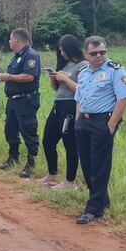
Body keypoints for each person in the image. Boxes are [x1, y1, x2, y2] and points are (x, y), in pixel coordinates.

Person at [74, 36, 126, 224]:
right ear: (85, 54)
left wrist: (111, 124)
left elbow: (124, 98)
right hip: (84, 121)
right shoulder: (83, 72)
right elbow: (79, 98)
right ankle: (102, 200)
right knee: (87, 164)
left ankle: (94, 209)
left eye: (102, 52)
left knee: (99, 165)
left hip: (103, 121)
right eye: (94, 53)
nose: (99, 56)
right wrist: (77, 120)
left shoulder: (115, 71)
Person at [37, 35, 89, 190]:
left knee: (70, 144)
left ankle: (69, 181)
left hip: (71, 106)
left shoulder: (83, 65)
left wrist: (66, 80)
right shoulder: (65, 65)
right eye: (59, 50)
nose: (62, 53)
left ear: (71, 48)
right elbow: (57, 89)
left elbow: (83, 89)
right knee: (48, 140)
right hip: (57, 105)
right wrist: (54, 78)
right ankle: (51, 174)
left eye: (63, 50)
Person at [0, 28, 41, 178]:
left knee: (28, 130)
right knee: (10, 130)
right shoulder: (16, 57)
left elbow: (29, 76)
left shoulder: (31, 55)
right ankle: (12, 158)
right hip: (13, 100)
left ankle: (31, 163)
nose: (9, 42)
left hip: (26, 100)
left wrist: (8, 77)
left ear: (17, 39)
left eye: (10, 39)